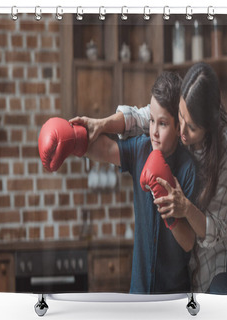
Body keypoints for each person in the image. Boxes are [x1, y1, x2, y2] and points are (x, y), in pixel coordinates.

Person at [70, 62, 227, 294]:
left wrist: (182, 210)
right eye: (181, 118)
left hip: (219, 260)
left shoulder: (219, 153)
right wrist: (74, 137)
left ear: (207, 127)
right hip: (147, 286)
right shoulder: (143, 148)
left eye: (189, 127)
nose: (182, 132)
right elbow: (141, 120)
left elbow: (207, 232)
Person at [80, 71, 197, 294]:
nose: (153, 131)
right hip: (138, 293)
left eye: (162, 124)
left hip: (173, 297)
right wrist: (71, 139)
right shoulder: (141, 148)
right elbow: (105, 149)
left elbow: (189, 242)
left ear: (178, 126)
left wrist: (169, 211)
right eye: (151, 121)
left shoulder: (188, 168)